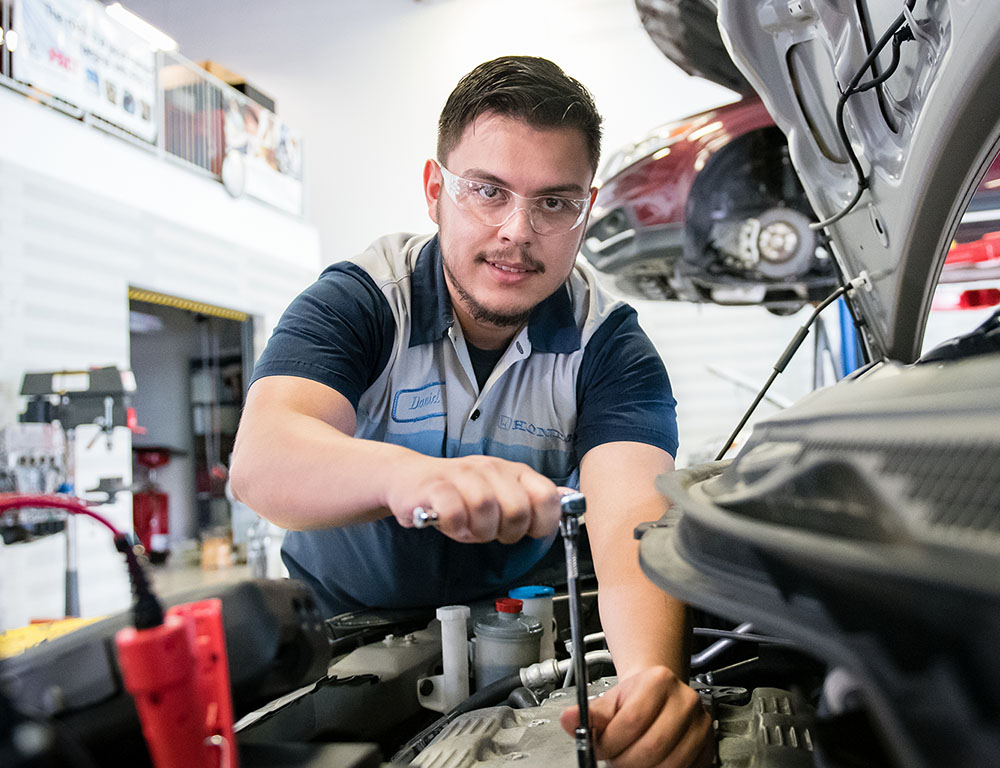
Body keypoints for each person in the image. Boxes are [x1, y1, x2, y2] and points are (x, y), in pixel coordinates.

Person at [231, 55, 713, 767]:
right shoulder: (362, 301)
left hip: (527, 639)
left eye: (554, 202)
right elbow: (264, 460)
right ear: (436, 191)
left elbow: (631, 530)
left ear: (587, 207)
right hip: (344, 641)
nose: (518, 231)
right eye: (488, 191)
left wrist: (648, 682)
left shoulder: (611, 344)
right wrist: (411, 479)